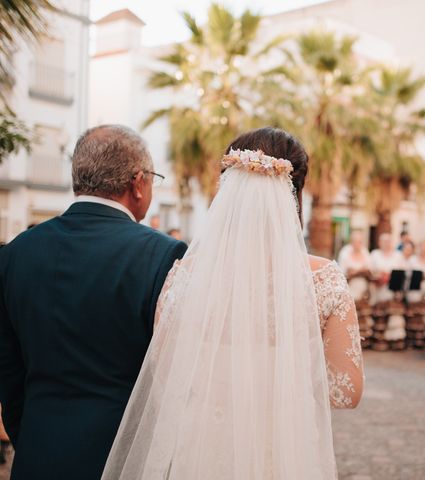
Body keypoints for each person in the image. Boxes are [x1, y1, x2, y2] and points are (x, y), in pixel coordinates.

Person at [102, 127, 364, 479]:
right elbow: (347, 391)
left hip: (203, 449)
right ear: (295, 193)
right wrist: (280, 378)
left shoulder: (184, 275)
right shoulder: (323, 279)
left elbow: (165, 375)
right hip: (283, 450)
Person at [0, 125, 188, 480]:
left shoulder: (17, 253)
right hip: (120, 459)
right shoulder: (163, 255)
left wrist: (34, 438)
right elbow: (171, 376)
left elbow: (9, 373)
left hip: (37, 454)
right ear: (137, 182)